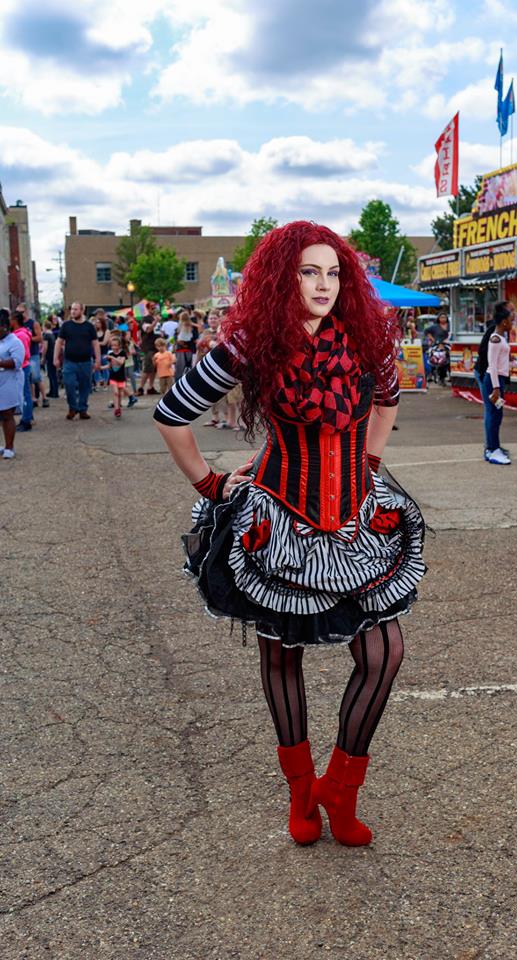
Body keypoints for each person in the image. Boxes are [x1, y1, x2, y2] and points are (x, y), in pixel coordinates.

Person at [154, 221, 426, 848]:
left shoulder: (368, 337)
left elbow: (387, 401)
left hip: (359, 518)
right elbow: (172, 416)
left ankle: (341, 786)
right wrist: (210, 485)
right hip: (279, 517)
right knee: (282, 655)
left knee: (384, 654)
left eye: (333, 271)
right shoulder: (253, 343)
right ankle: (302, 793)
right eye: (309, 271)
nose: (324, 283)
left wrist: (372, 464)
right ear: (284, 276)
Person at [476, 302, 512, 462]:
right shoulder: (496, 338)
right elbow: (492, 365)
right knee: (493, 414)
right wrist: (496, 387)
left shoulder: (500, 337)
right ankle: (492, 449)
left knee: (497, 415)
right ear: (504, 321)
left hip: (497, 380)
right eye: (511, 319)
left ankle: (494, 447)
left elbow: (500, 361)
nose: (512, 323)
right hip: (493, 381)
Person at [54, 301, 101, 420]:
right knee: (69, 384)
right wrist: (55, 357)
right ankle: (72, 407)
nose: (73, 311)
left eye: (75, 309)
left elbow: (95, 344)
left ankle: (82, 409)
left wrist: (98, 360)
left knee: (85, 386)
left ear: (82, 310)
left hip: (86, 361)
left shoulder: (89, 326)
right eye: (72, 309)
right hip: (69, 361)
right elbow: (59, 342)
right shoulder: (66, 325)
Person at [0, 308, 26, 460]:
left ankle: (10, 447)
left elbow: (17, 362)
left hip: (9, 381)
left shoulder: (15, 342)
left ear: (4, 327)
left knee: (7, 414)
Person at [101, 334, 137, 418]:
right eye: (112, 345)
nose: (113, 347)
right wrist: (100, 368)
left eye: (115, 345)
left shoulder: (122, 353)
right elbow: (110, 366)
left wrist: (112, 357)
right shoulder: (111, 354)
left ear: (119, 345)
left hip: (121, 377)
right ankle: (116, 409)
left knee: (120, 393)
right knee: (116, 393)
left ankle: (118, 408)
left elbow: (121, 362)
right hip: (113, 377)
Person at [9, 311, 32, 430]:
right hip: (21, 366)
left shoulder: (21, 335)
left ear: (15, 321)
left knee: (25, 394)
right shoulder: (18, 334)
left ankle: (26, 420)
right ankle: (28, 417)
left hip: (22, 367)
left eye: (10, 319)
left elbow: (21, 354)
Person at [137, 311, 160, 396]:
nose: (154, 309)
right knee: (147, 368)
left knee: (154, 369)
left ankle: (151, 387)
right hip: (149, 347)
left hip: (156, 347)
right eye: (152, 307)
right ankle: (141, 388)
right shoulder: (145, 319)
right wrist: (155, 321)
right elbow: (148, 330)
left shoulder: (155, 318)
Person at [174, 310, 197, 379]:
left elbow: (176, 338)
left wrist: (179, 343)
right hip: (189, 350)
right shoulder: (192, 327)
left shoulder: (178, 327)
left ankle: (178, 383)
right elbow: (195, 338)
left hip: (180, 350)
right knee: (189, 368)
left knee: (179, 370)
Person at [41, 318, 59, 399]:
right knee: (53, 374)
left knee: (51, 374)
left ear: (44, 326)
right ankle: (54, 391)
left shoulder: (46, 335)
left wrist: (43, 357)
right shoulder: (52, 334)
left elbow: (45, 347)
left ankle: (53, 392)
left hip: (49, 356)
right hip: (53, 355)